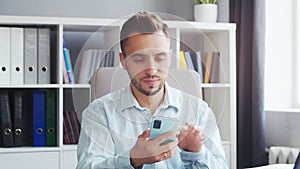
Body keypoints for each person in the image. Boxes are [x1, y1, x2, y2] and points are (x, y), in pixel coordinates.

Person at [76, 11, 228, 169]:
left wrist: (197, 152)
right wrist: (132, 159)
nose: (152, 70)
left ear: (169, 57)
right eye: (139, 59)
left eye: (160, 58)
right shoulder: (99, 113)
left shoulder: (199, 111)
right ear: (123, 61)